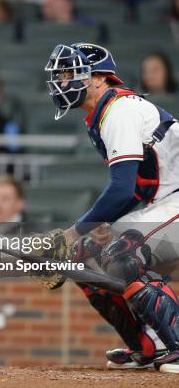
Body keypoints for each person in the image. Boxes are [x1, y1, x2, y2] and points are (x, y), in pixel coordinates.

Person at [36, 42, 179, 372]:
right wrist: (87, 235)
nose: (62, 81)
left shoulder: (119, 110)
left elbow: (121, 188)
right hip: (164, 203)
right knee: (84, 252)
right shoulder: (102, 114)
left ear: (98, 79)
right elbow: (135, 190)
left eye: (70, 73)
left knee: (120, 252)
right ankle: (148, 347)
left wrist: (72, 232)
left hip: (174, 202)